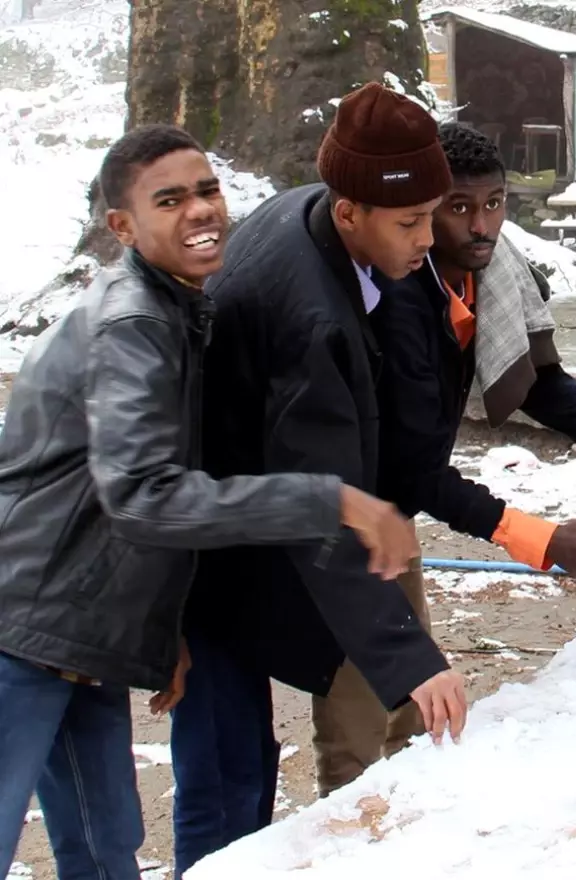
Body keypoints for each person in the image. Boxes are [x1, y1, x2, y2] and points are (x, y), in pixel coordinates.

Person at [0, 124, 418, 880]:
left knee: (103, 846)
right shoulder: (133, 324)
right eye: (170, 200)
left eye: (207, 190)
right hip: (22, 632)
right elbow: (145, 497)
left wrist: (161, 629)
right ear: (123, 226)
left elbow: (135, 488)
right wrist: (327, 499)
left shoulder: (177, 309)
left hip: (78, 639)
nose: (200, 211)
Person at [168, 84, 469, 876]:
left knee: (245, 760)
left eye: (431, 213)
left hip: (252, 515)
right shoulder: (310, 321)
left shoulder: (319, 216)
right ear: (349, 213)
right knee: (227, 767)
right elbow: (321, 509)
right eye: (409, 223)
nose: (427, 238)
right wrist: (413, 662)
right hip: (216, 544)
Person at [313, 121, 576, 796]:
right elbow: (415, 469)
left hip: (395, 509)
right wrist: (537, 538)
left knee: (412, 698)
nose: (482, 226)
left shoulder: (490, 271)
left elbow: (538, 378)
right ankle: (340, 832)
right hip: (348, 512)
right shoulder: (396, 300)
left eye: (495, 203)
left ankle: (405, 818)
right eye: (458, 208)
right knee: (359, 702)